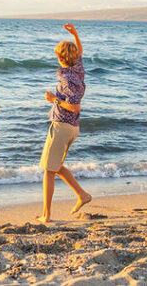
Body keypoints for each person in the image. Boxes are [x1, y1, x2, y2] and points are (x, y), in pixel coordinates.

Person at [37, 23, 93, 223]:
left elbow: (74, 106)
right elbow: (80, 52)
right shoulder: (78, 69)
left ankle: (46, 214)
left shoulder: (67, 78)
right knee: (56, 166)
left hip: (62, 125)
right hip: (73, 128)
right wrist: (76, 34)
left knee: (49, 171)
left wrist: (54, 99)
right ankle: (82, 195)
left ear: (60, 58)